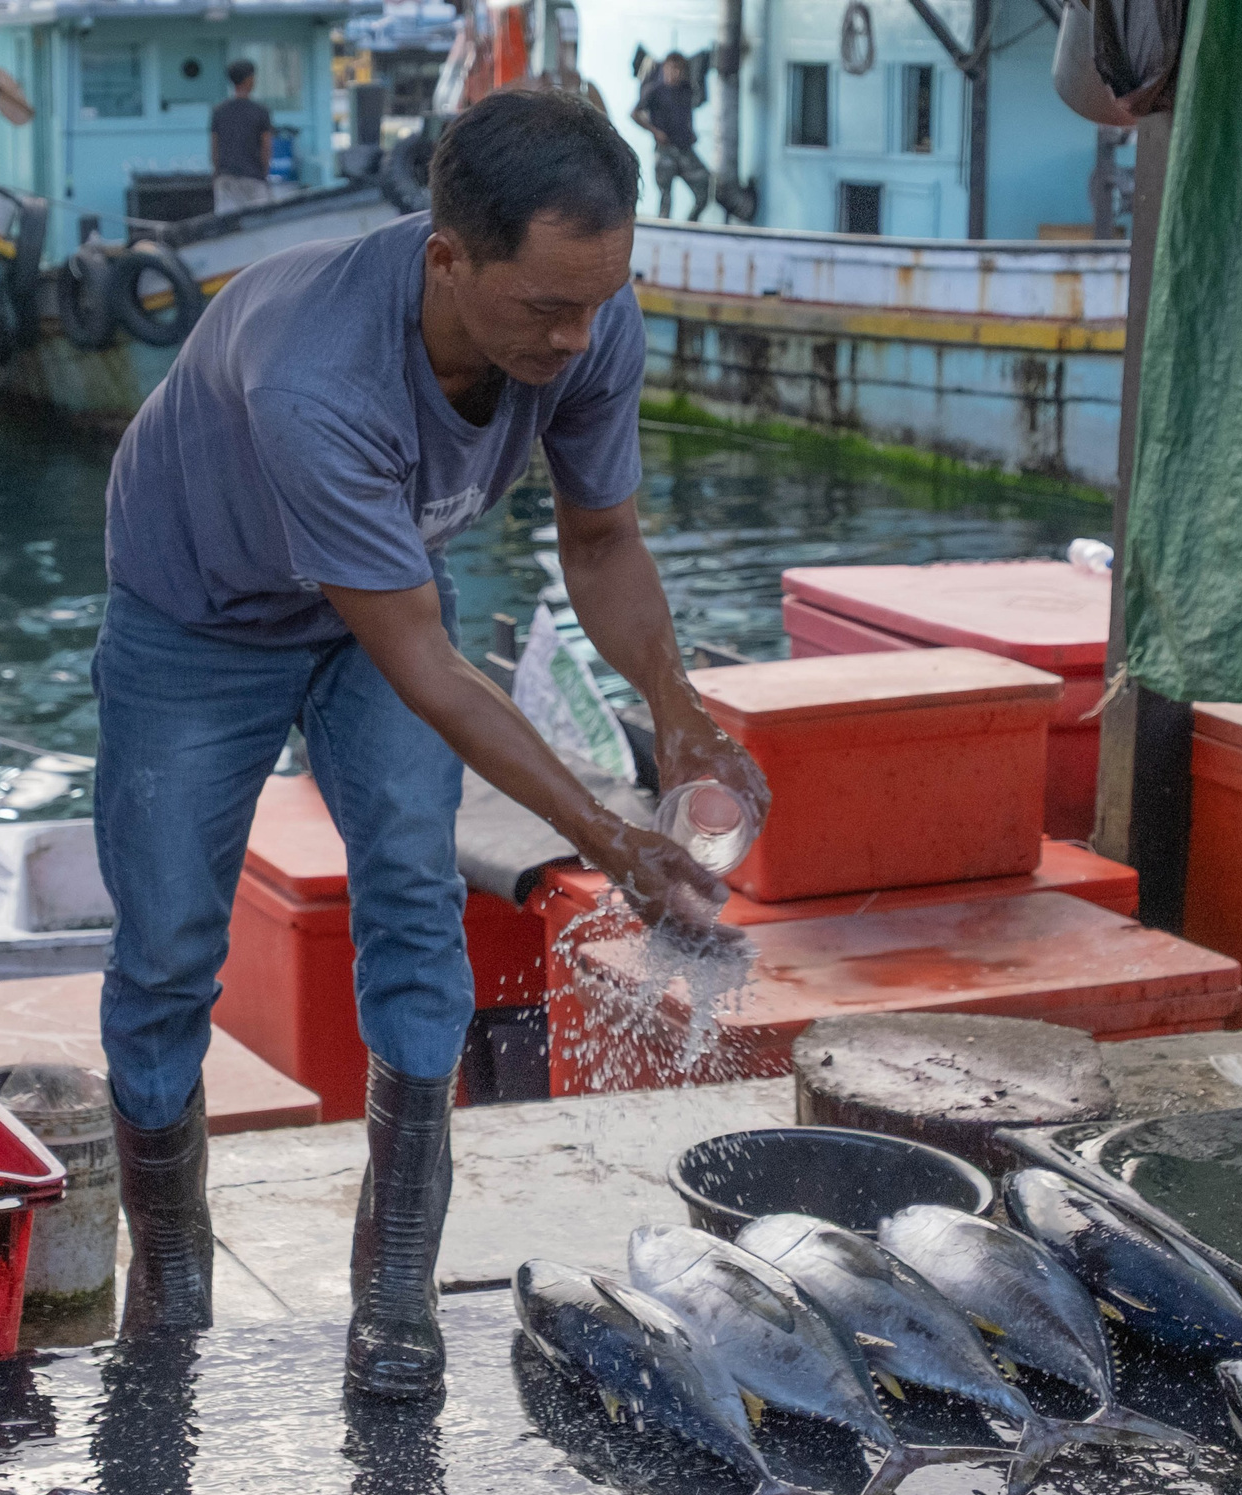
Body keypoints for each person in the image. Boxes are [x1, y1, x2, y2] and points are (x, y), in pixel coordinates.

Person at [95, 89, 769, 1399]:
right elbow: (425, 661)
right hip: (199, 614)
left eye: (599, 302)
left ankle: (396, 1276)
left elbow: (602, 540)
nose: (577, 338)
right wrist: (610, 837)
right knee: (170, 942)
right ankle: (171, 1271)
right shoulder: (314, 370)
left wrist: (678, 709)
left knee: (413, 891)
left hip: (387, 586)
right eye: (546, 309)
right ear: (446, 256)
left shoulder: (585, 315)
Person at [631, 53, 708, 222]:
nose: (676, 73)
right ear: (665, 68)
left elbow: (694, 106)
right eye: (673, 68)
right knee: (665, 196)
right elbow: (635, 114)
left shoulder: (686, 90)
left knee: (705, 186)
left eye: (679, 69)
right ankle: (664, 227)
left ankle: (691, 223)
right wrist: (655, 131)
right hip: (665, 150)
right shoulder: (655, 91)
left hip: (684, 149)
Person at [210, 60, 275, 214]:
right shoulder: (261, 111)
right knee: (259, 222)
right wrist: (264, 174)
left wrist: (217, 174)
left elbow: (214, 148)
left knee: (226, 223)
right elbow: (266, 147)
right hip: (253, 178)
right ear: (249, 79)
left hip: (226, 178)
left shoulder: (219, 111)